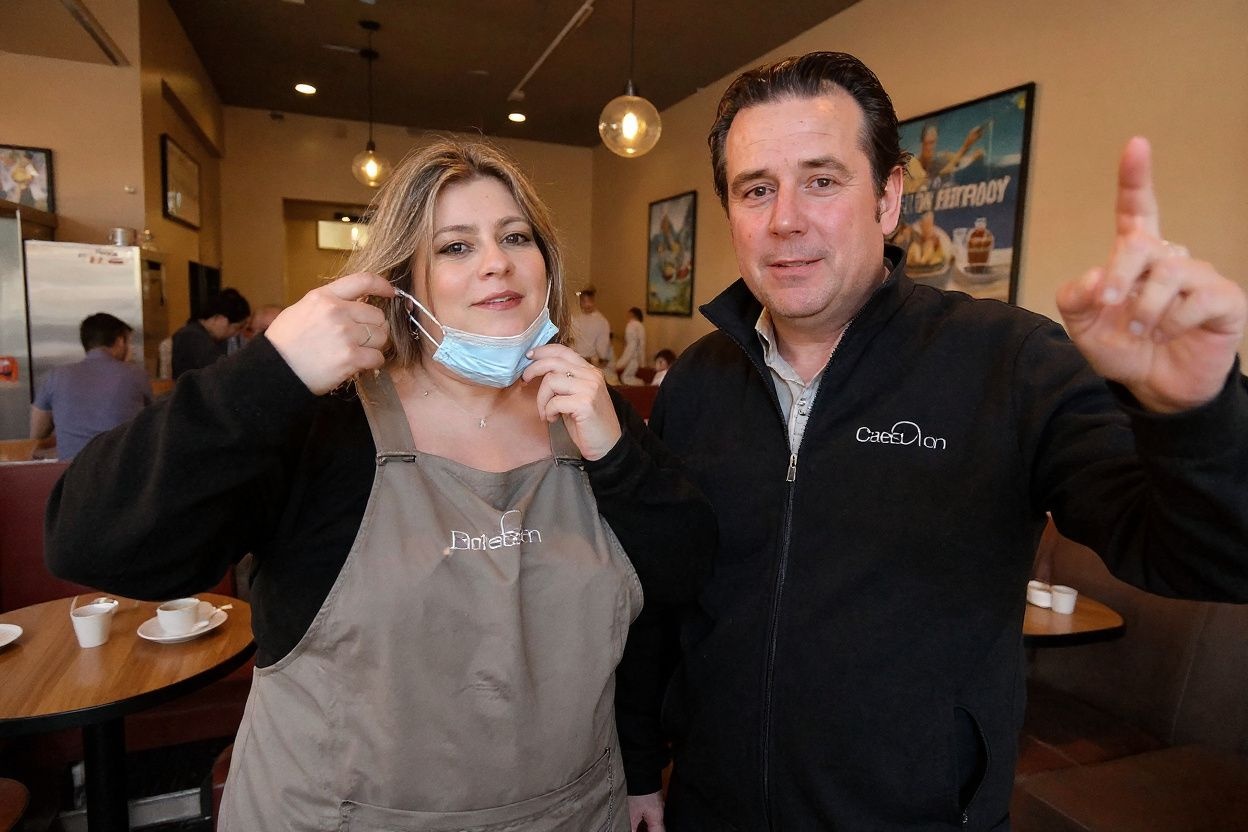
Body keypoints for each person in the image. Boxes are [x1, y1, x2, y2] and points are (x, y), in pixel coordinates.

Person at [644, 52, 1248, 830]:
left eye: (822, 180)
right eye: (756, 189)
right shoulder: (696, 383)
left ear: (889, 196)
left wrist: (1195, 415)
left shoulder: (1011, 362)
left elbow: (1214, 557)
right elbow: (660, 593)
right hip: (709, 809)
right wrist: (638, 761)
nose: (785, 218)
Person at [44, 139, 714, 831]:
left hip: (572, 813)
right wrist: (269, 373)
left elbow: (679, 580)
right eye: (456, 246)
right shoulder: (326, 423)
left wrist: (617, 457)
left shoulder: (587, 412)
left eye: (516, 236)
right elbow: (91, 541)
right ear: (403, 285)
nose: (496, 261)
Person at [29, 312, 151, 460]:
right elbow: (152, 424)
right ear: (120, 341)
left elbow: (37, 434)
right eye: (129, 343)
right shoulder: (136, 375)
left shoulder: (56, 376)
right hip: (120, 468)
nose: (131, 350)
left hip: (71, 470)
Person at [171, 288, 250, 378]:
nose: (236, 334)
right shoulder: (191, 336)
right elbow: (221, 373)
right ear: (220, 319)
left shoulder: (213, 338)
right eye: (237, 328)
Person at [571, 285, 614, 373]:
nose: (587, 304)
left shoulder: (601, 321)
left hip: (591, 364)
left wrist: (601, 359)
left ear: (593, 301)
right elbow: (571, 341)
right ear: (580, 302)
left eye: (589, 301)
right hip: (575, 362)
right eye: (584, 301)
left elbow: (602, 349)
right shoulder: (575, 318)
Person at [617, 307, 647, 385]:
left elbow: (641, 343)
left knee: (625, 377)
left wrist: (642, 361)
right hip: (631, 353)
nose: (627, 317)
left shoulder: (636, 325)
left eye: (629, 315)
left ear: (634, 315)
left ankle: (642, 384)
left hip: (634, 355)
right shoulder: (633, 325)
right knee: (624, 376)